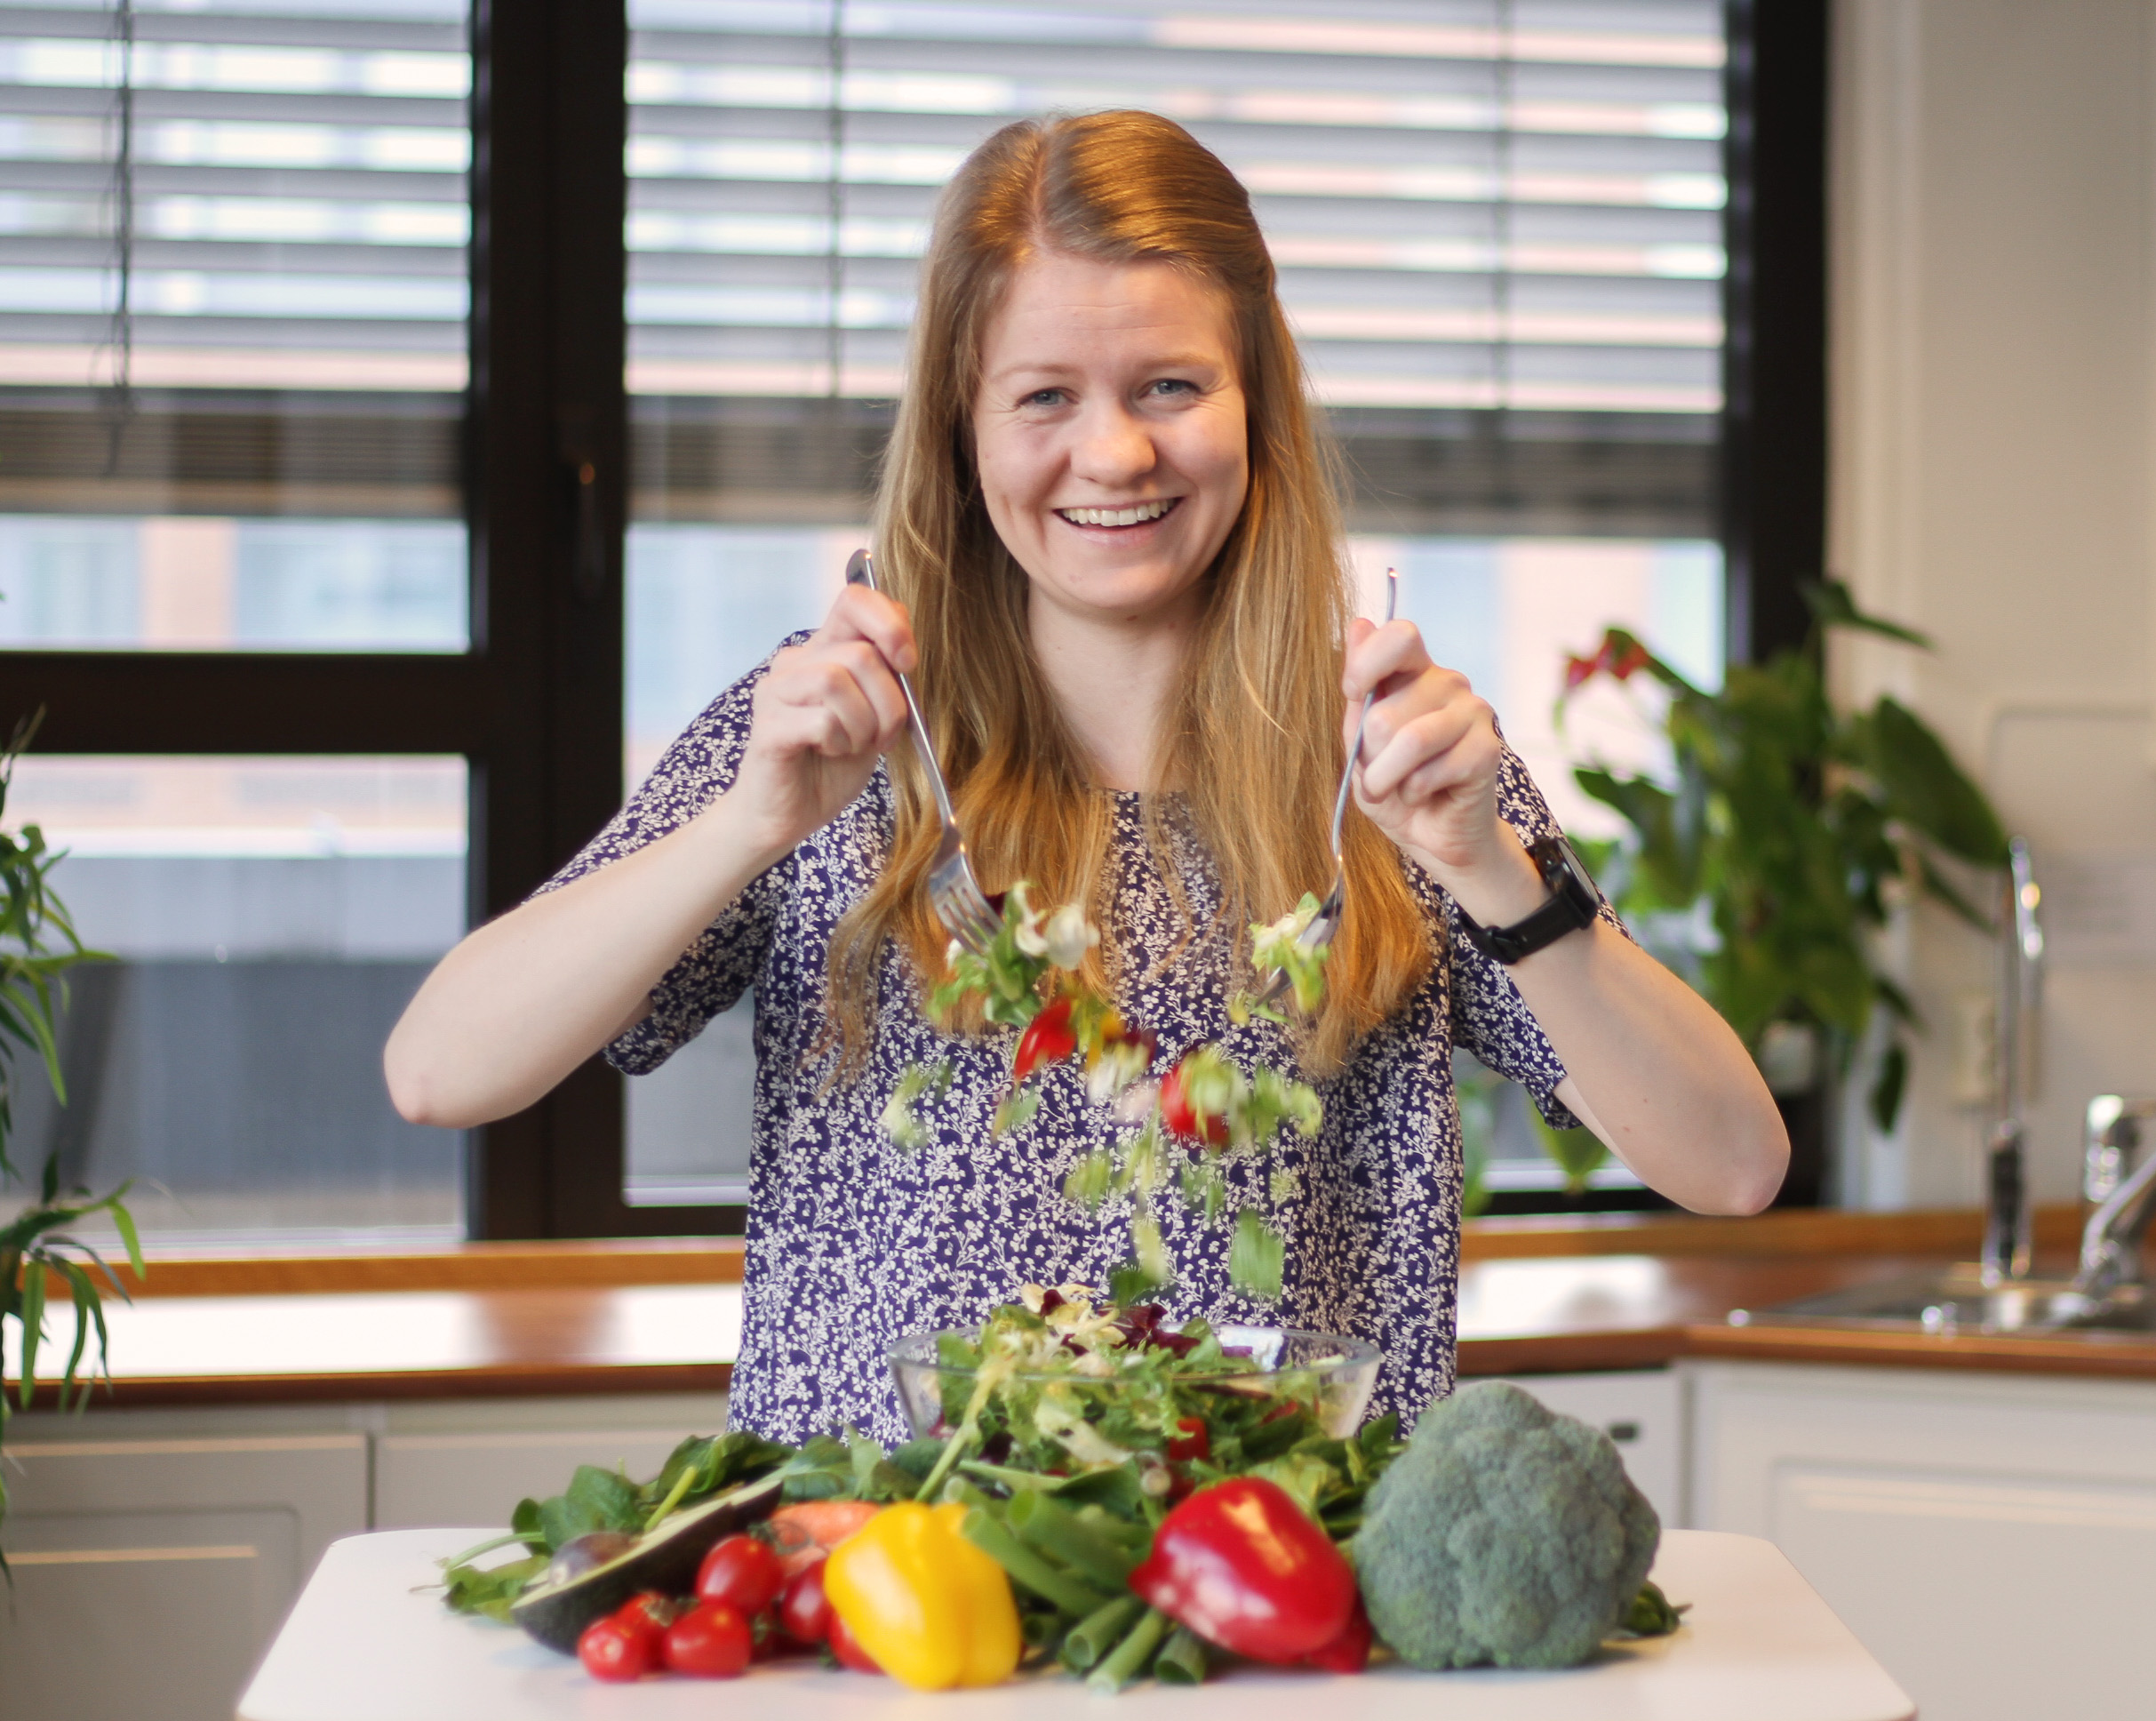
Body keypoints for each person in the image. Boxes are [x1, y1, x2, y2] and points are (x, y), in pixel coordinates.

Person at [384, 110, 1785, 1444]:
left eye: (1170, 386)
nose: (1115, 453)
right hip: (887, 1617)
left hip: (1274, 1620)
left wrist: (1490, 870)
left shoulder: (1393, 764)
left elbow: (1733, 1166)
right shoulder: (829, 739)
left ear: (1257, 403)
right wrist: (748, 826)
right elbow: (441, 1069)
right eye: (1045, 395)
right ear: (963, 426)